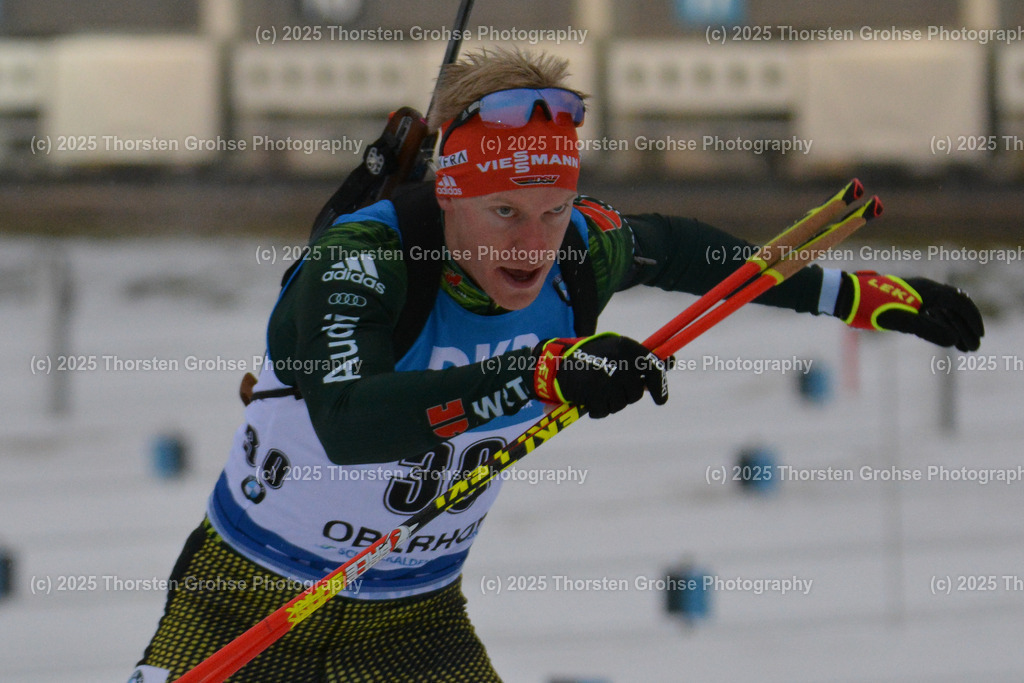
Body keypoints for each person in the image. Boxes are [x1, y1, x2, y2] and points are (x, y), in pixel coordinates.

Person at [129, 47, 984, 682]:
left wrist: (856, 296)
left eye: (552, 208)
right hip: (244, 593)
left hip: (410, 615)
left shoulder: (579, 252)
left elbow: (682, 250)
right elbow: (351, 422)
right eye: (503, 210)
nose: (532, 243)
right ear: (449, 192)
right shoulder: (365, 259)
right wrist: (540, 375)